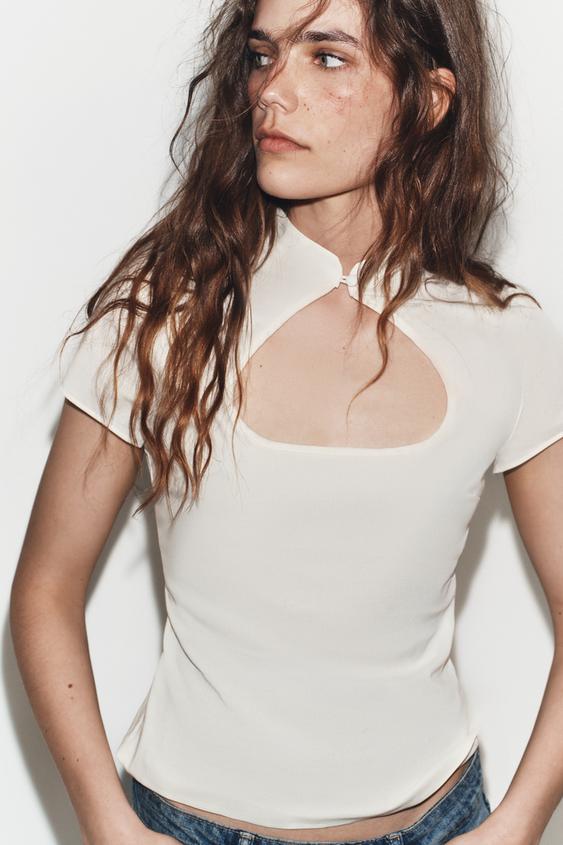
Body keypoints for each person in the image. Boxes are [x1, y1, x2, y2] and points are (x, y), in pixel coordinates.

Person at [10, 1, 563, 844]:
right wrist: (106, 823)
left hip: (438, 823)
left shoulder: (503, 335)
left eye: (326, 57)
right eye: (262, 55)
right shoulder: (162, 314)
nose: (271, 89)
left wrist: (519, 822)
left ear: (426, 101)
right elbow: (45, 588)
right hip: (181, 826)